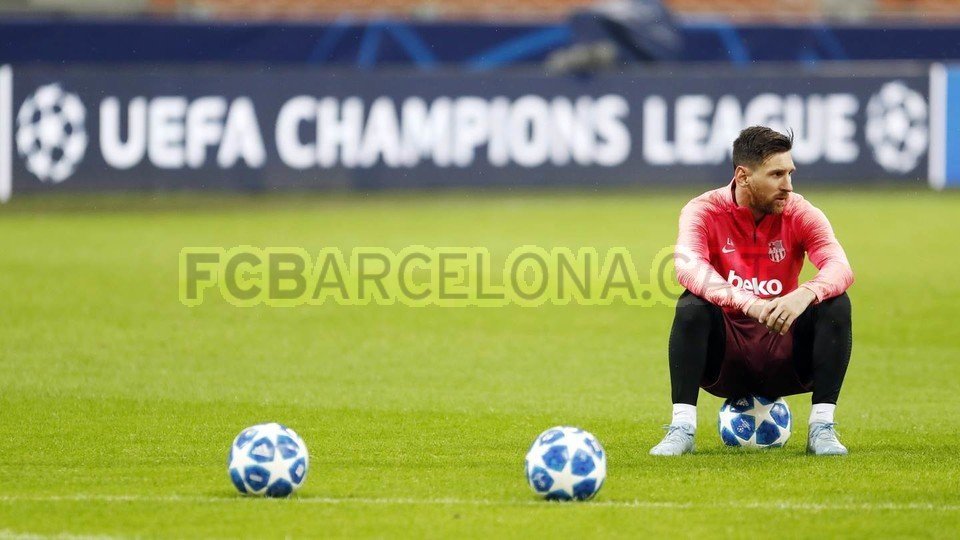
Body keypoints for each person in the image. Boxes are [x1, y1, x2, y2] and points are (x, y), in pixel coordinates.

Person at [649, 126, 854, 456]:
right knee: (691, 305)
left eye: (790, 173)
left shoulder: (800, 212)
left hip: (786, 353)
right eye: (776, 175)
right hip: (724, 362)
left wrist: (805, 293)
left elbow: (839, 266)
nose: (788, 186)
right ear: (743, 176)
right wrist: (749, 303)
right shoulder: (703, 210)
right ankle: (682, 428)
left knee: (836, 303)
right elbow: (688, 267)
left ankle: (822, 428)